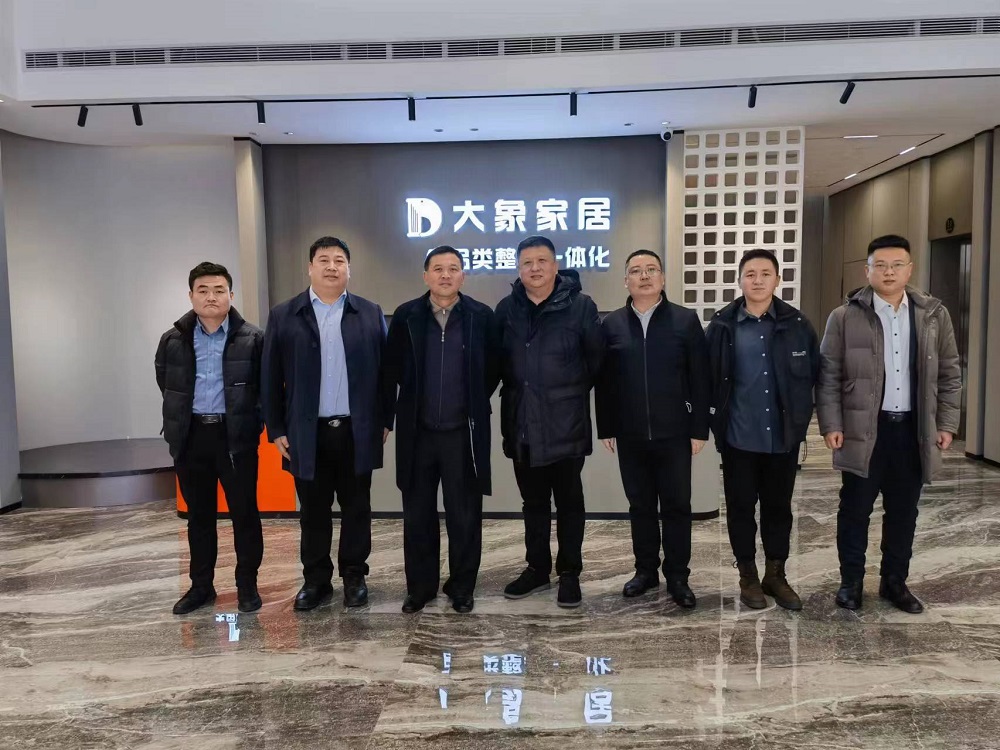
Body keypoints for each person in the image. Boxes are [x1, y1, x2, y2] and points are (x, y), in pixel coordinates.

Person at [817, 234, 961, 614]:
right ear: (867, 271)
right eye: (880, 265)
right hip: (863, 429)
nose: (889, 272)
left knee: (903, 512)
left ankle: (894, 582)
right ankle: (851, 582)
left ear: (909, 269)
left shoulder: (933, 315)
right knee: (854, 510)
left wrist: (946, 423)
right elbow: (828, 375)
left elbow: (949, 374)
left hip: (912, 431)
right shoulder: (844, 316)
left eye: (897, 265)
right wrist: (831, 424)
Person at [261, 236, 390, 611]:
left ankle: (354, 576)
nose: (332, 266)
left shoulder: (369, 313)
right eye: (323, 259)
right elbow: (269, 377)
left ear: (349, 269)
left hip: (355, 431)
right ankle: (316, 581)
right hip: (306, 433)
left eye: (339, 260)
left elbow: (386, 374)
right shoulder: (284, 315)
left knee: (357, 509)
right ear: (310, 267)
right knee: (313, 512)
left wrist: (385, 420)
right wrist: (276, 428)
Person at [382, 245, 500, 614]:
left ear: (463, 275)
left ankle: (462, 588)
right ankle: (420, 588)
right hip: (418, 435)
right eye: (438, 268)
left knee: (465, 516)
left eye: (452, 268)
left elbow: (493, 368)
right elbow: (391, 369)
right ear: (425, 275)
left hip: (462, 434)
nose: (445, 275)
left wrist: (472, 402)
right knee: (417, 515)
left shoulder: (481, 316)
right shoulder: (406, 316)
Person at [706, 248, 819, 611]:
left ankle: (776, 574)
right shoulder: (722, 325)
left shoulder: (797, 325)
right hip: (738, 437)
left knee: (778, 509)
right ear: (740, 280)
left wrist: (802, 421)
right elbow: (708, 379)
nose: (757, 280)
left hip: (781, 438)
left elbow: (815, 376)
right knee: (740, 510)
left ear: (777, 280)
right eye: (750, 274)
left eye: (765, 274)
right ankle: (748, 577)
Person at [596, 249, 710, 608]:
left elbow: (700, 377)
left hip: (675, 433)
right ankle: (645, 571)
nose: (644, 276)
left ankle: (678, 576)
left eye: (651, 269)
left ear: (662, 278)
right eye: (636, 271)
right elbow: (605, 381)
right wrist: (606, 426)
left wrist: (699, 429)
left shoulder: (685, 320)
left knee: (677, 506)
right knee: (640, 505)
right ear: (625, 281)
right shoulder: (611, 324)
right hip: (630, 434)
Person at [495, 235, 604, 609]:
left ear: (556, 266)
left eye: (542, 261)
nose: (535, 268)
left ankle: (569, 572)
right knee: (534, 503)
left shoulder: (581, 306)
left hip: (565, 423)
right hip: (522, 423)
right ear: (518, 269)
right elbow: (499, 363)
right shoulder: (507, 309)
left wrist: (565, 396)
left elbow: (595, 363)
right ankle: (537, 569)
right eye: (527, 262)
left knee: (570, 502)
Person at [155, 262, 264, 615]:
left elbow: (264, 390)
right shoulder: (172, 340)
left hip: (235, 439)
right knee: (199, 517)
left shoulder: (253, 339)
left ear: (231, 295)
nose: (211, 297)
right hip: (191, 437)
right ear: (191, 295)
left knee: (244, 514)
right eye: (203, 290)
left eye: (219, 290)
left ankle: (247, 585)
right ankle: (201, 586)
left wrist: (252, 424)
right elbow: (166, 382)